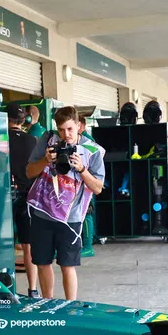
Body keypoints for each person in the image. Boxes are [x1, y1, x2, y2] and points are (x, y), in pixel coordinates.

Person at [24, 105, 105, 300]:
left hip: (71, 218)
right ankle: (47, 304)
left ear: (79, 126)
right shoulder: (48, 140)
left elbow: (98, 188)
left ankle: (70, 308)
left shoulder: (91, 150)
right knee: (42, 262)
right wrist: (45, 161)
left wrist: (82, 170)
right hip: (42, 212)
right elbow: (29, 173)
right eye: (61, 129)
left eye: (69, 129)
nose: (65, 134)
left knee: (68, 265)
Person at [6, 104, 40, 297]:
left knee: (2, 245)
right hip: (28, 197)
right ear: (24, 120)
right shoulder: (32, 141)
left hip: (4, 197)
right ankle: (32, 289)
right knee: (28, 246)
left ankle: (6, 290)